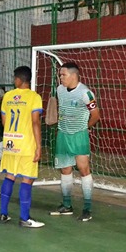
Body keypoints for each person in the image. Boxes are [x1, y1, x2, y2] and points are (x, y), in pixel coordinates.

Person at [48, 62, 100, 221]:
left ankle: (87, 208)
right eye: (60, 74)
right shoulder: (59, 90)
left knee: (84, 170)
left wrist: (84, 129)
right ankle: (67, 205)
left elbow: (96, 115)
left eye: (63, 74)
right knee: (65, 170)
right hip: (62, 134)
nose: (60, 77)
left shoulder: (86, 93)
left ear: (73, 75)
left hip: (79, 136)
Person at [0, 66, 45, 227]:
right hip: (26, 144)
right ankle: (24, 218)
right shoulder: (34, 97)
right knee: (27, 179)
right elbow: (35, 122)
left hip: (10, 142)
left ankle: (3, 213)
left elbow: (4, 122)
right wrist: (39, 146)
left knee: (9, 176)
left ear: (19, 79)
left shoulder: (8, 96)